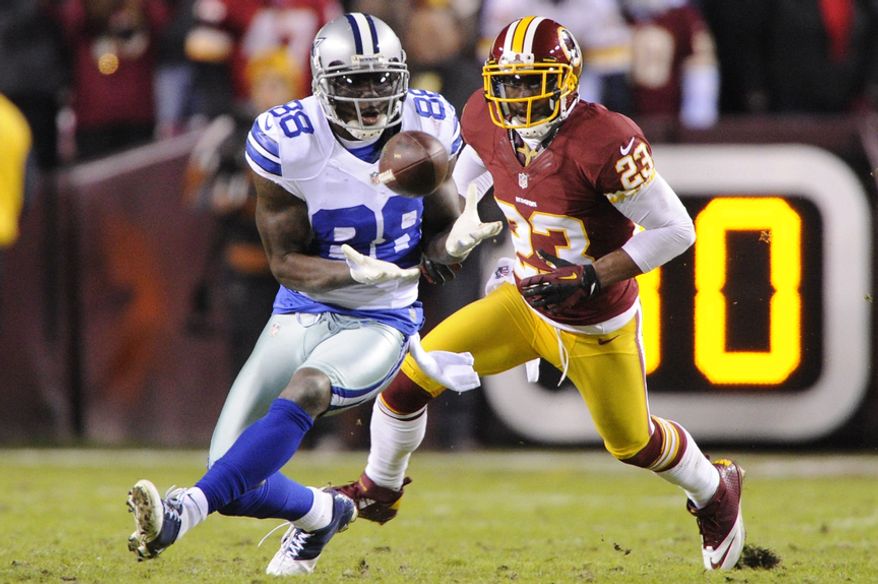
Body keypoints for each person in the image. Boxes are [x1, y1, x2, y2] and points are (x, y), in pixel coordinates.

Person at [337, 16, 746, 571]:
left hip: (594, 321)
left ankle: (715, 487)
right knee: (411, 380)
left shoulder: (606, 140)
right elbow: (472, 173)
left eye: (533, 80)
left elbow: (678, 231)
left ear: (569, 79)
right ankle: (378, 490)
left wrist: (592, 275)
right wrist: (459, 223)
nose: (517, 95)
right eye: (507, 82)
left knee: (632, 443)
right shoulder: (482, 113)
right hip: (525, 299)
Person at [125, 12, 501, 577]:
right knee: (236, 474)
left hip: (384, 317)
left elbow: (439, 246)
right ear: (324, 81)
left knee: (307, 390)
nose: (372, 95)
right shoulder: (287, 140)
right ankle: (325, 512)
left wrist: (459, 242)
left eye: (381, 78)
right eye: (354, 81)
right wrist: (354, 273)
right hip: (303, 308)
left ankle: (185, 511)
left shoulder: (428, 121)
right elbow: (284, 264)